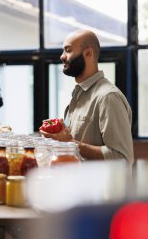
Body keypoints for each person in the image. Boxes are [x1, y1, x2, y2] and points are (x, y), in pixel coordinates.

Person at [40, 30, 134, 164]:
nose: (62, 56)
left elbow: (122, 158)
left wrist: (70, 143)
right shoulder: (79, 94)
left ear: (88, 53)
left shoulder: (108, 97)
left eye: (68, 50)